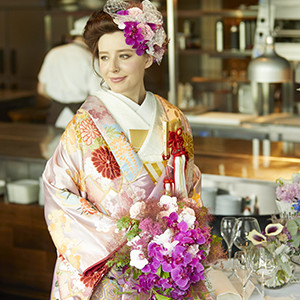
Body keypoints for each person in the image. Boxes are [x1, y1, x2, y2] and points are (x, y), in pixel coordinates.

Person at [43, 0, 201, 299]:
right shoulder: (84, 124)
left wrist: (177, 238)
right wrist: (125, 238)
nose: (111, 68)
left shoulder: (174, 118)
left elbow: (189, 186)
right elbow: (57, 190)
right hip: (107, 269)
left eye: (124, 56)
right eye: (104, 57)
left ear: (148, 57)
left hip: (164, 264)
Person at [37, 16, 100, 128]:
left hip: (55, 115)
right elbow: (96, 96)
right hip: (81, 119)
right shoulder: (91, 59)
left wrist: (59, 102)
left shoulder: (53, 53)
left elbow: (41, 89)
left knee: (54, 144)